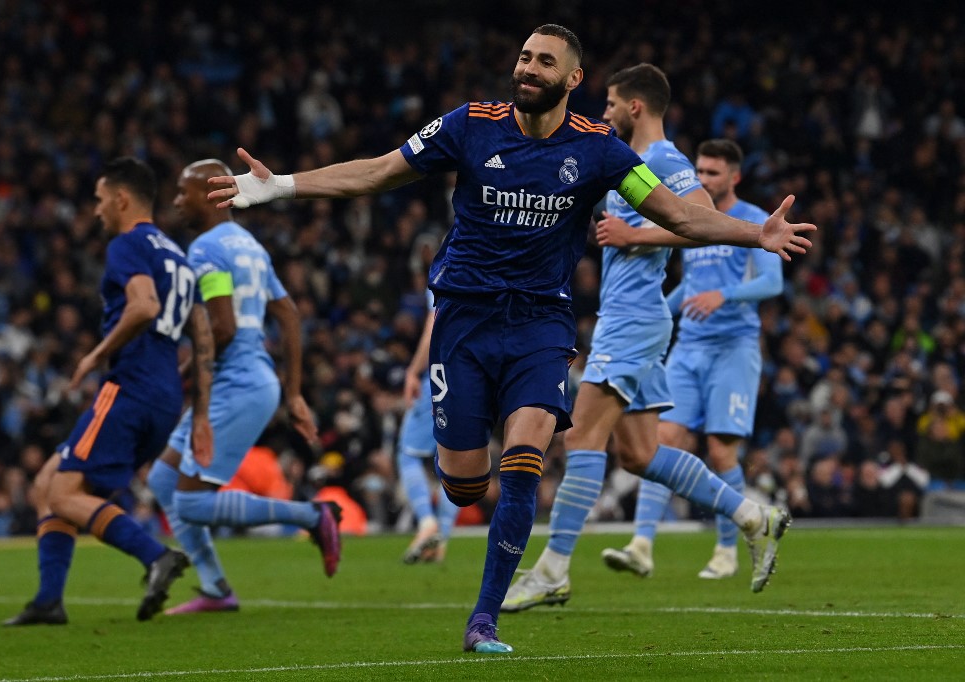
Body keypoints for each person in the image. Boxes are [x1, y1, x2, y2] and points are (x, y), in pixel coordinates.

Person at [207, 25, 814, 654]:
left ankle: (483, 621)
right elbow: (380, 171)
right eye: (524, 56)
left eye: (544, 61)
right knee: (466, 484)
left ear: (572, 80)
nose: (527, 67)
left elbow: (678, 213)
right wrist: (281, 185)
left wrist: (755, 236)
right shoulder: (470, 123)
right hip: (464, 321)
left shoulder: (600, 148)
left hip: (539, 324)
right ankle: (491, 510)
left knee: (526, 457)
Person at [502, 66, 789, 614]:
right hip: (636, 313)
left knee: (580, 437)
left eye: (611, 103)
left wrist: (637, 233)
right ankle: (755, 516)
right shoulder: (632, 160)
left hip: (632, 318)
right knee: (638, 454)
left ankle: (553, 570)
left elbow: (699, 215)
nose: (604, 111)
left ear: (636, 106)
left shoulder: (663, 160)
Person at [4, 157, 215, 625]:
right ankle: (48, 601)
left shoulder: (128, 244)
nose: (97, 210)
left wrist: (96, 354)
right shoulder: (178, 256)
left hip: (129, 387)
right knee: (48, 484)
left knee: (61, 494)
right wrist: (200, 414)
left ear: (121, 199)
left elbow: (143, 306)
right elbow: (203, 340)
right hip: (165, 397)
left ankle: (155, 556)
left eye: (100, 200)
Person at [144, 159, 340, 616]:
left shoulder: (205, 250)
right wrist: (292, 392)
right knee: (163, 479)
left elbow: (223, 329)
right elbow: (289, 314)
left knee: (189, 503)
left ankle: (313, 516)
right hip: (256, 382)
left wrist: (186, 374)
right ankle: (215, 588)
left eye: (181, 192)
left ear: (211, 193)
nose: (175, 201)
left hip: (235, 385)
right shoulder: (249, 245)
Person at [596, 138, 785, 581]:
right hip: (689, 348)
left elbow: (772, 284)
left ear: (734, 177)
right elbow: (691, 289)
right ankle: (642, 543)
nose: (702, 179)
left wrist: (727, 294)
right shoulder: (693, 224)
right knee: (663, 438)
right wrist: (661, 308)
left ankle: (726, 551)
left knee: (721, 450)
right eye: (699, 171)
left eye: (713, 173)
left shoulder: (754, 220)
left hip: (734, 347)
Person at [398, 298, 460, 564]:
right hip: (479, 375)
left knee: (408, 454)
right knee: (458, 459)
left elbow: (434, 324)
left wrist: (413, 370)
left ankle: (427, 523)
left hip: (442, 374)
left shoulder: (449, 265)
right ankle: (442, 538)